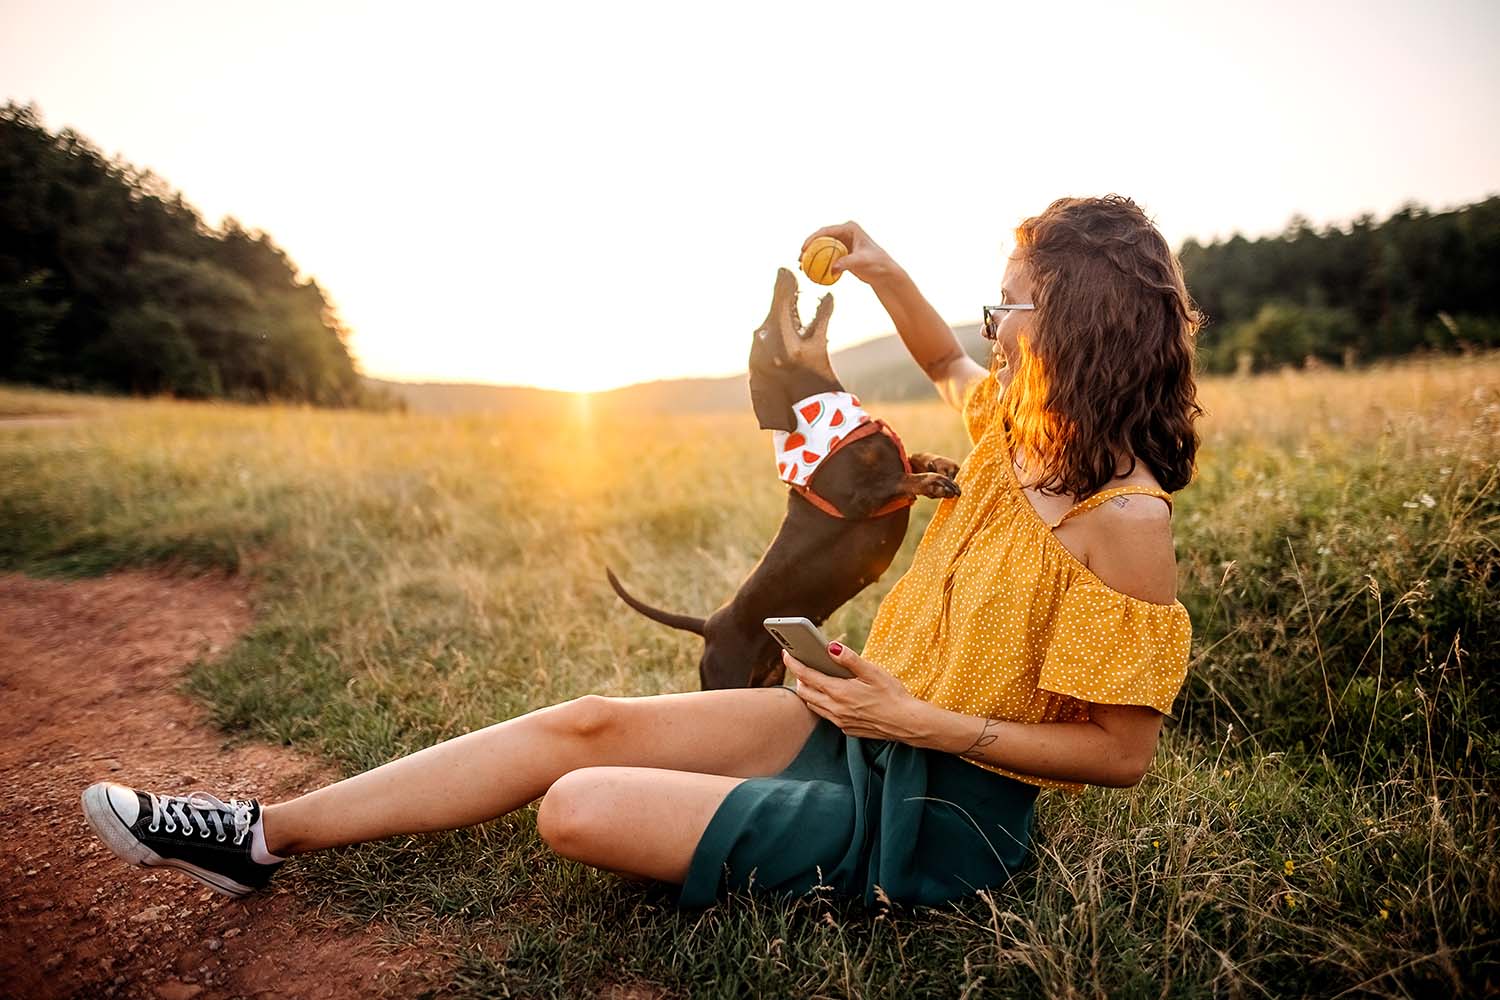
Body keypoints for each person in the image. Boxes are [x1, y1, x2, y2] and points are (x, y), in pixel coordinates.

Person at [81, 194, 1203, 910]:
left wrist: (915, 721)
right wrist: (878, 266)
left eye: (1007, 307)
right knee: (585, 723)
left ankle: (821, 844)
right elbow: (942, 360)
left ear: (1078, 327)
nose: (987, 328)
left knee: (574, 804)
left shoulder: (1126, 523)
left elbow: (1119, 754)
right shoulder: (1016, 435)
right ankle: (251, 834)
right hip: (858, 717)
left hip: (945, 810)